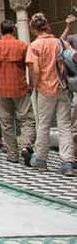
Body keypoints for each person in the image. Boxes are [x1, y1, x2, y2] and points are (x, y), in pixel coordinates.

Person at [27, 13, 75, 176]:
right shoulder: (58, 42)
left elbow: (34, 69)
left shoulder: (34, 46)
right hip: (62, 87)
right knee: (65, 125)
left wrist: (33, 85)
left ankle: (40, 158)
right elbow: (71, 55)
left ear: (33, 28)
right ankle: (67, 162)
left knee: (44, 124)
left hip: (45, 89)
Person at [0, 20, 34, 164]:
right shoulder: (22, 45)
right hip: (20, 87)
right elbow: (30, 66)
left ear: (1, 31)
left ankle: (12, 153)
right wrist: (31, 84)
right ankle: (26, 145)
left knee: (6, 122)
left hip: (2, 89)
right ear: (13, 30)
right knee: (27, 119)